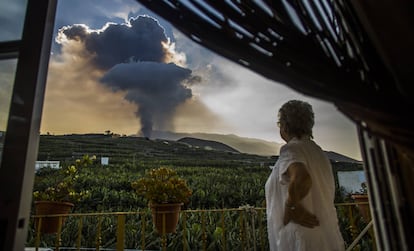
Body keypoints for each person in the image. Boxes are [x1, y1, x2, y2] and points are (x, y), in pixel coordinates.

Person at [265, 100, 344, 251]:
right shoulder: (318, 152)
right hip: (325, 237)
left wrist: (291, 207)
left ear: (284, 125)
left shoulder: (291, 150)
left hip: (300, 239)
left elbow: (301, 178)